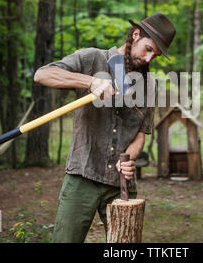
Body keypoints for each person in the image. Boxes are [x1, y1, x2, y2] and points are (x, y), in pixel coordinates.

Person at [33, 12, 176, 243]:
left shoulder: (149, 85)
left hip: (119, 185)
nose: (150, 59)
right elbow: (42, 75)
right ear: (136, 35)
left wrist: (129, 157)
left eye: (156, 55)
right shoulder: (92, 59)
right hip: (82, 176)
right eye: (148, 49)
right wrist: (90, 82)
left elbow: (141, 134)